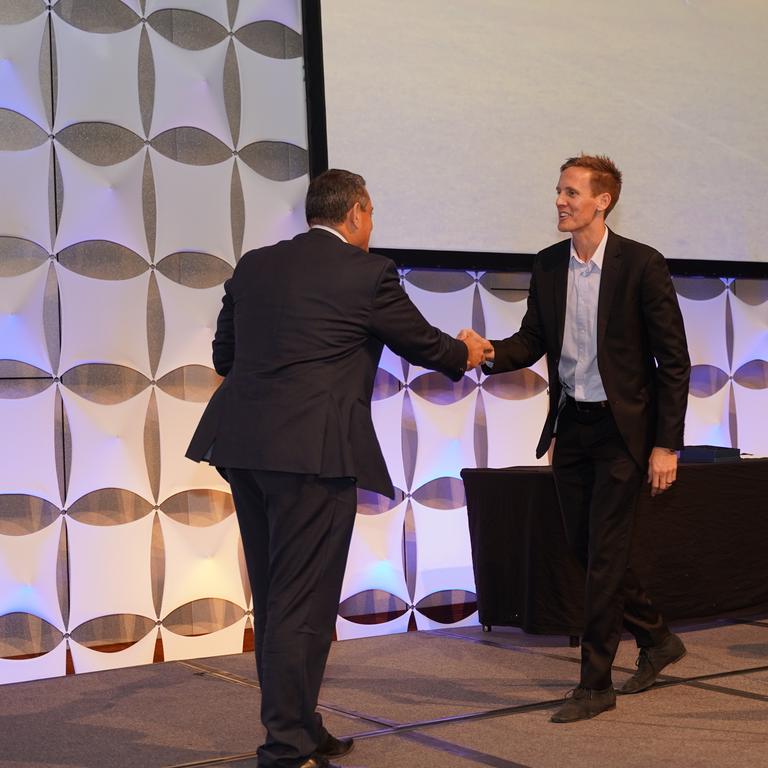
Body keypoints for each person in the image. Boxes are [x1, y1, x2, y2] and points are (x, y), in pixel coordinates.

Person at [186, 169, 490, 767]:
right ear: (356, 212)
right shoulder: (368, 273)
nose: (372, 227)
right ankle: (284, 746)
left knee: (278, 598)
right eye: (371, 215)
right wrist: (469, 352)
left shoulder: (255, 266)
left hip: (243, 448)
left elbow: (226, 355)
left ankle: (298, 724)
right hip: (312, 455)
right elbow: (426, 345)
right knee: (302, 603)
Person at [478, 154, 691, 723]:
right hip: (571, 427)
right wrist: (490, 352)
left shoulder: (642, 265)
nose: (560, 201)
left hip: (625, 434)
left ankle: (596, 685)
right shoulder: (548, 265)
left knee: (603, 559)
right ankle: (658, 639)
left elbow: (673, 360)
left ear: (603, 201)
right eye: (558, 191)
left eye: (571, 193)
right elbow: (531, 341)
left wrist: (666, 444)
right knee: (586, 550)